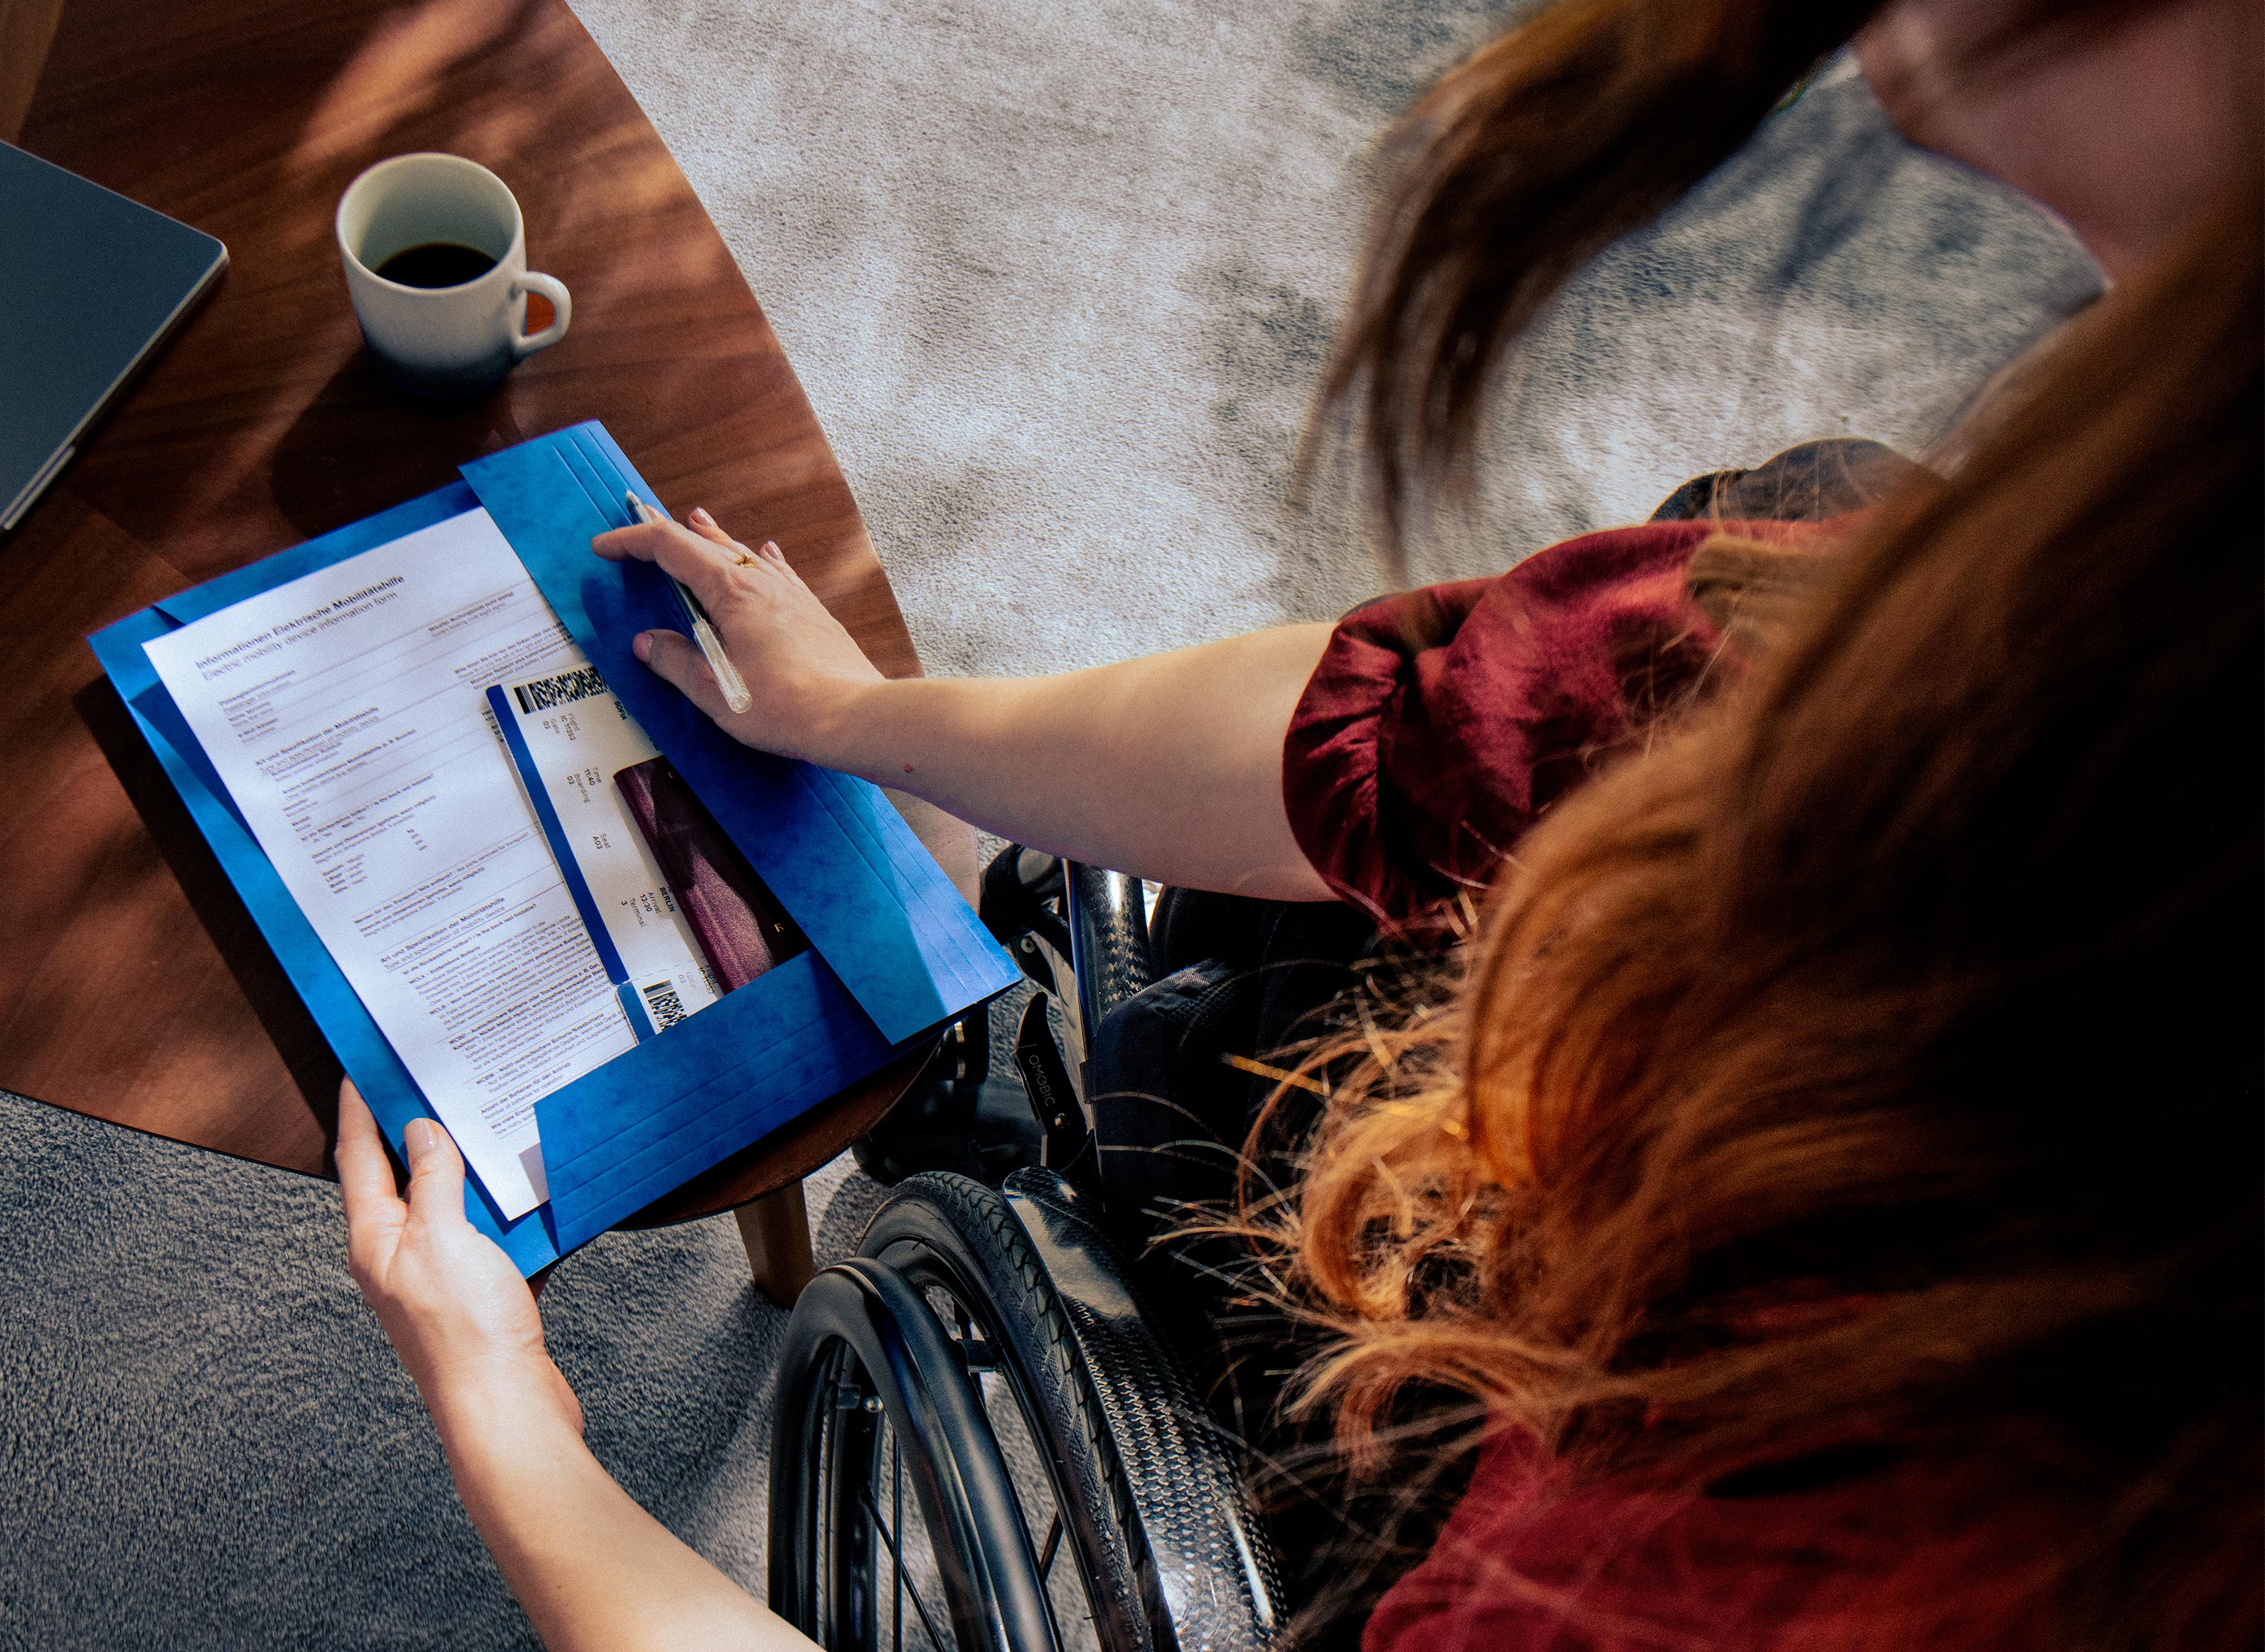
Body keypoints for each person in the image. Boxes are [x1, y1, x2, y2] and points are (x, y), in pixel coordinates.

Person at [335, 0, 2260, 1645]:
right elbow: (1410, 729)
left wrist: (509, 1416)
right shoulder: (2044, 612)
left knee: (1200, 1060)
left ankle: (1134, 1087)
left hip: (1488, 1372)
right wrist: (863, 715)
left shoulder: (1791, 1545)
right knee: (1788, 514)